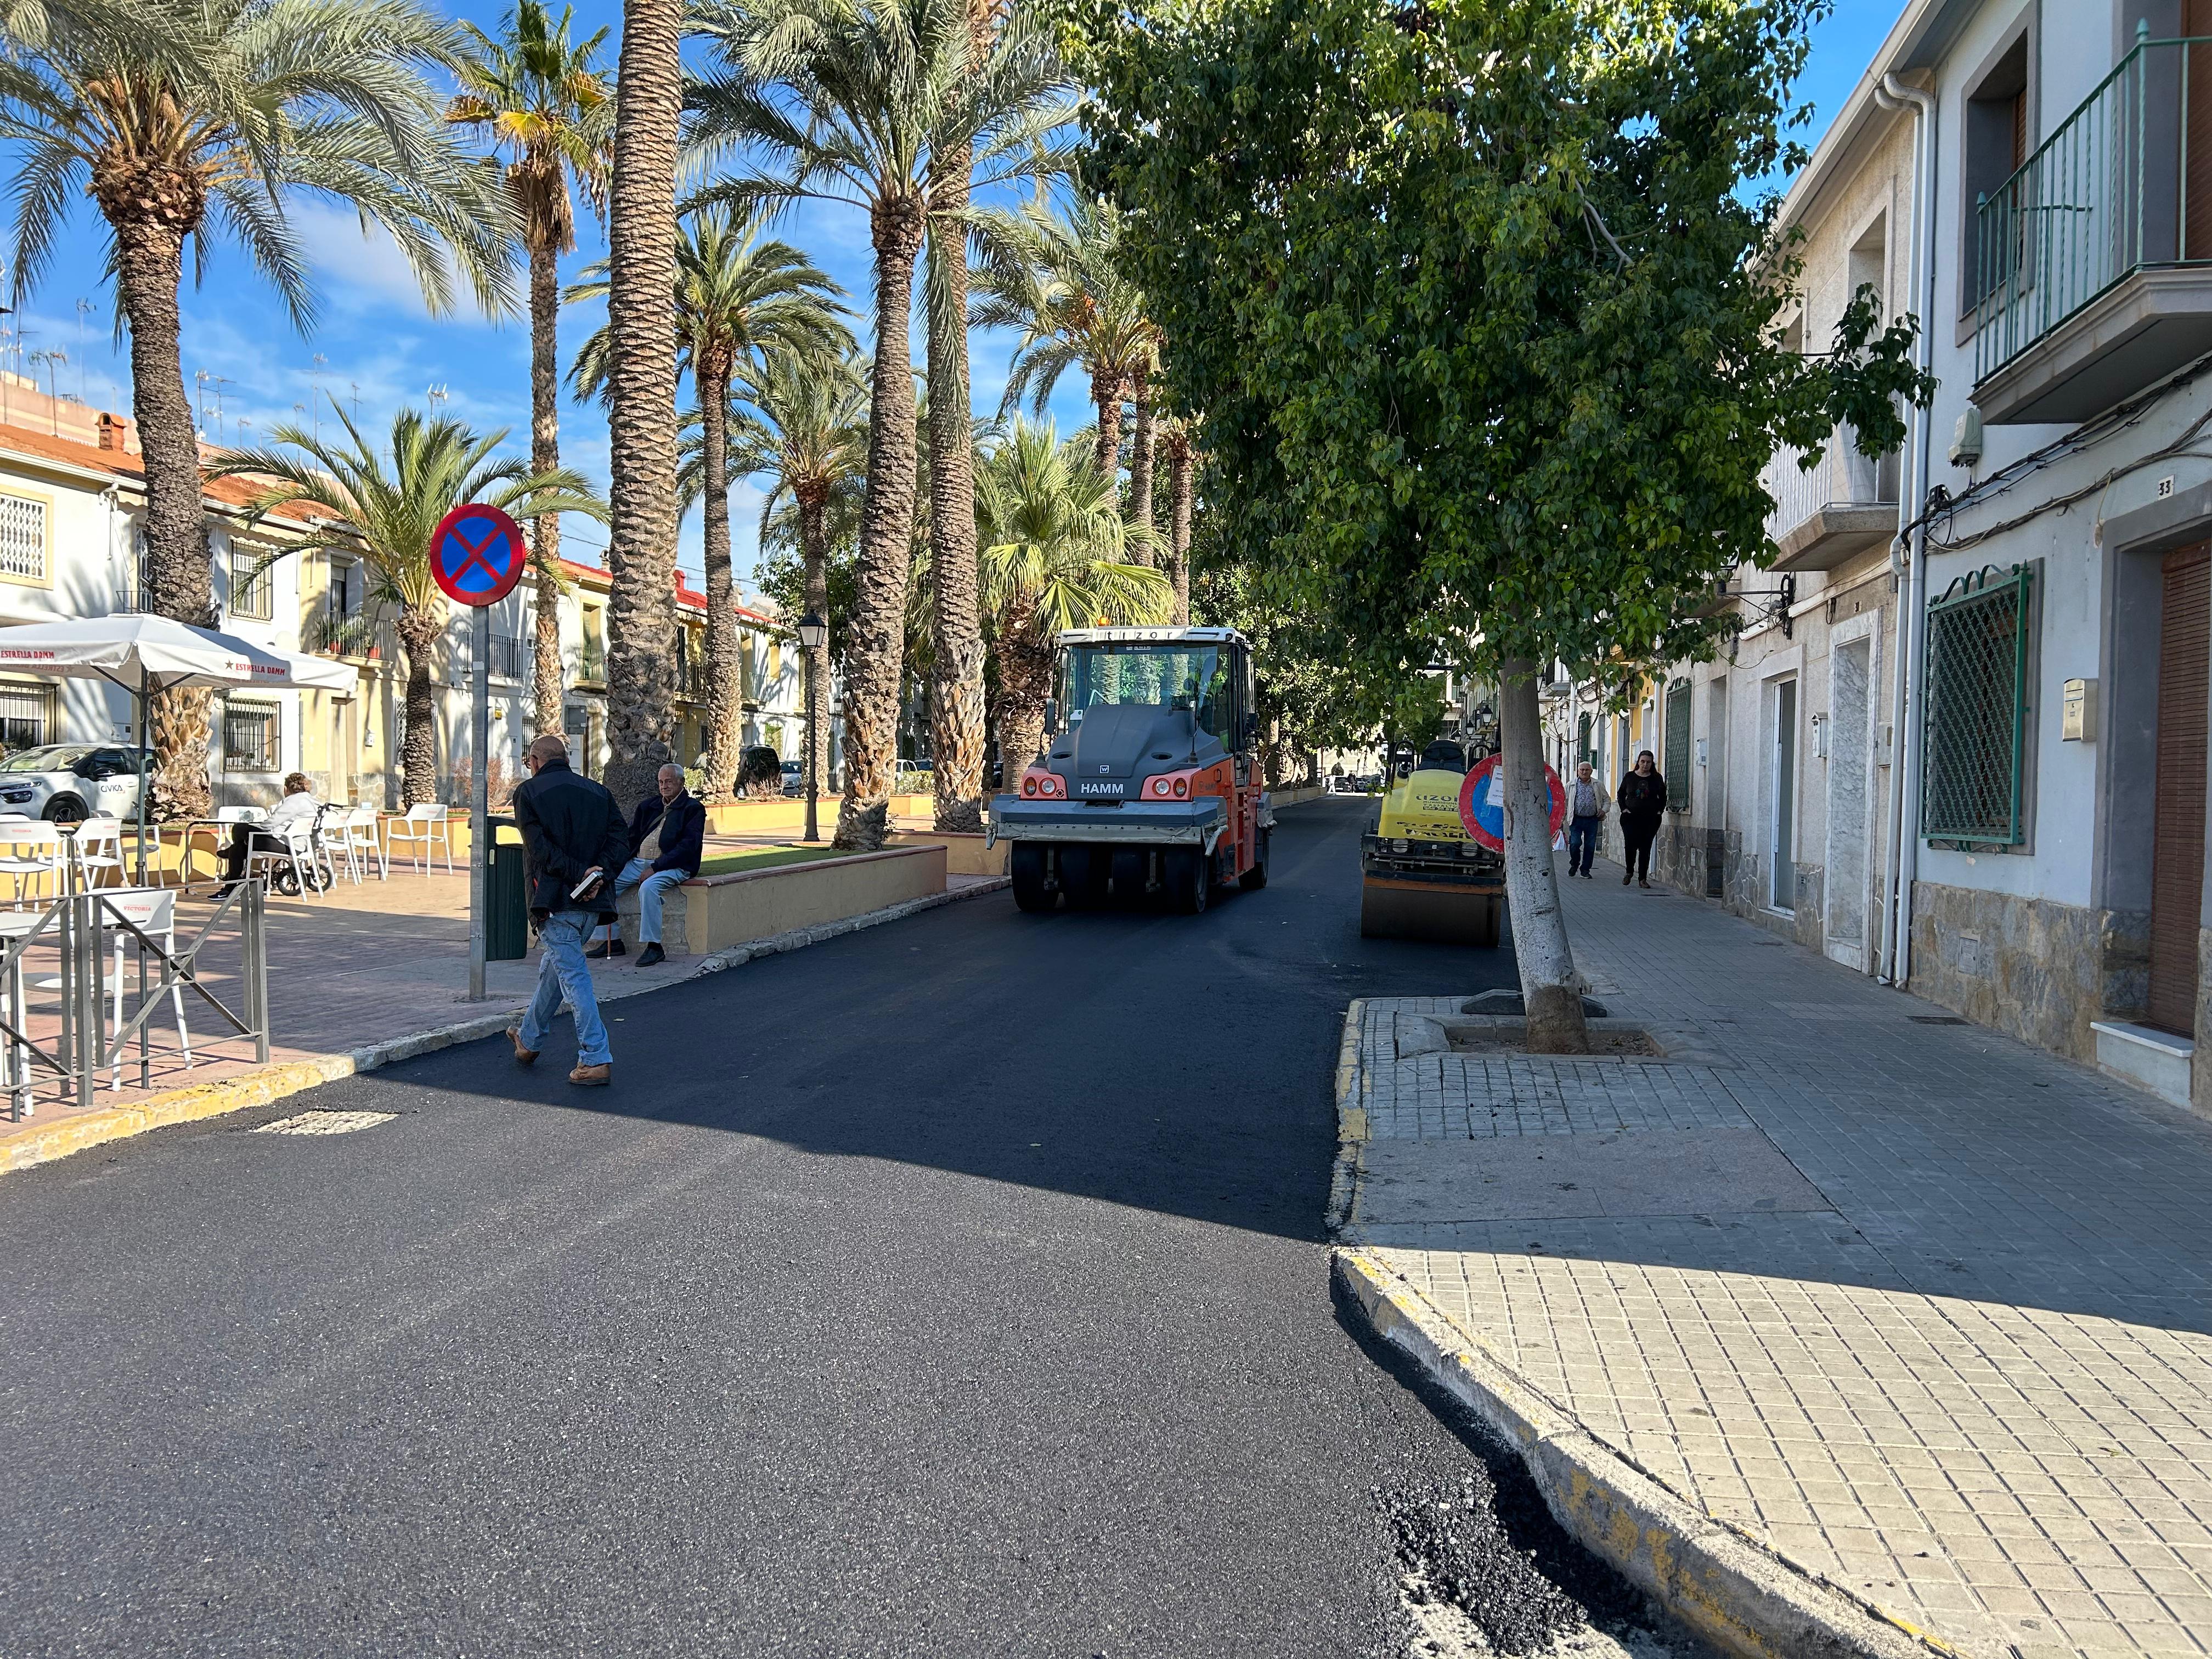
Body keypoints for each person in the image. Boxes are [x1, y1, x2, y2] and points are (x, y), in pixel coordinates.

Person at [510, 733, 629, 1086]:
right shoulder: (599, 792)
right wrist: (598, 875)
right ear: (565, 758)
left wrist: (581, 874)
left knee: (574, 978)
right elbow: (621, 842)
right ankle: (528, 1040)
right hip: (592, 905)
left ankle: (596, 1057)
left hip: (554, 903)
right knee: (557, 972)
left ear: (535, 761)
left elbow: (539, 850)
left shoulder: (528, 793)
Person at [589, 763, 704, 968]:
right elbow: (631, 838)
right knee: (603, 882)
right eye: (661, 782)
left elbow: (688, 847)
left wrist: (656, 867)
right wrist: (611, 863)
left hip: (673, 865)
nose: (664, 786)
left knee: (649, 888)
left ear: (681, 782)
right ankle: (612, 941)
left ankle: (654, 947)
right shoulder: (648, 806)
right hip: (639, 862)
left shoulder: (693, 809)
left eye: (669, 782)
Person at [217, 772, 322, 892]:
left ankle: (230, 884)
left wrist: (255, 826)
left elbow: (271, 824)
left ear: (286, 788)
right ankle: (230, 882)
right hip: (302, 845)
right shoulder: (310, 800)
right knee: (239, 848)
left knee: (240, 829)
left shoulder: (293, 801)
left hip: (287, 845)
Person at [1616, 748, 1668, 889]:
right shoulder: (1630, 777)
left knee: (1645, 847)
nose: (1645, 765)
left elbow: (1663, 796)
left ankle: (1643, 878)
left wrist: (1660, 811)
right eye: (1643, 761)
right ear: (1638, 762)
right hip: (1630, 818)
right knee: (1630, 845)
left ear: (1652, 763)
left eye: (1648, 762)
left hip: (1650, 819)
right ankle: (1629, 872)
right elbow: (1621, 793)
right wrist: (1624, 809)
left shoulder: (1657, 778)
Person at [1565, 759, 1610, 879]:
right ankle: (1574, 864)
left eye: (1587, 770)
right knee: (1575, 844)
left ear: (1591, 771)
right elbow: (1565, 801)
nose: (1584, 772)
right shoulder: (1571, 785)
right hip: (1576, 819)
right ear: (1578, 771)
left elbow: (1607, 799)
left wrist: (1604, 810)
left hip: (1592, 819)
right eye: (1582, 770)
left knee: (1590, 846)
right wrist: (1562, 818)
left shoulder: (1598, 785)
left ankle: (1585, 870)